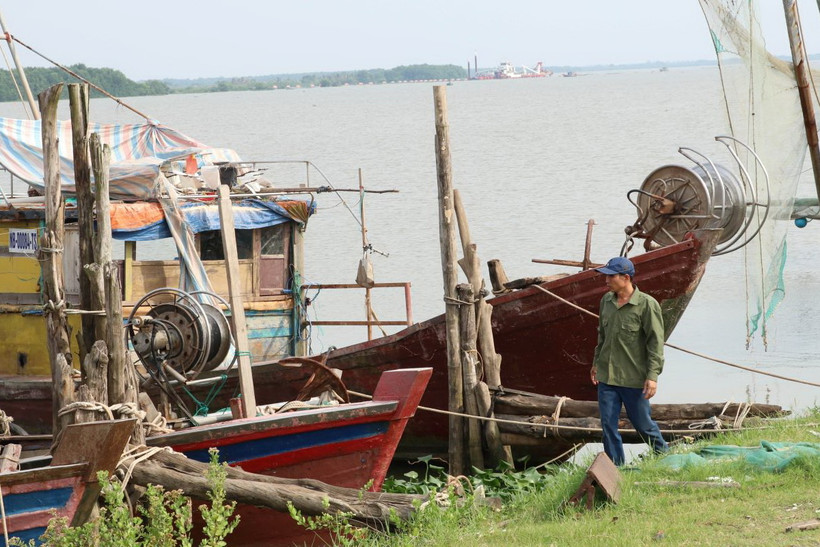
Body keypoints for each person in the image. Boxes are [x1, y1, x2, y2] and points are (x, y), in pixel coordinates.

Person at [590, 256, 668, 466]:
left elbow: (655, 344)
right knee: (608, 425)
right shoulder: (606, 301)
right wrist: (596, 362)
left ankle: (666, 458)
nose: (606, 280)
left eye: (610, 276)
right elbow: (602, 336)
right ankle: (616, 469)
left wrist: (652, 377)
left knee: (644, 425)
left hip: (634, 379)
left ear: (626, 278)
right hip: (607, 376)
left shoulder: (647, 305)